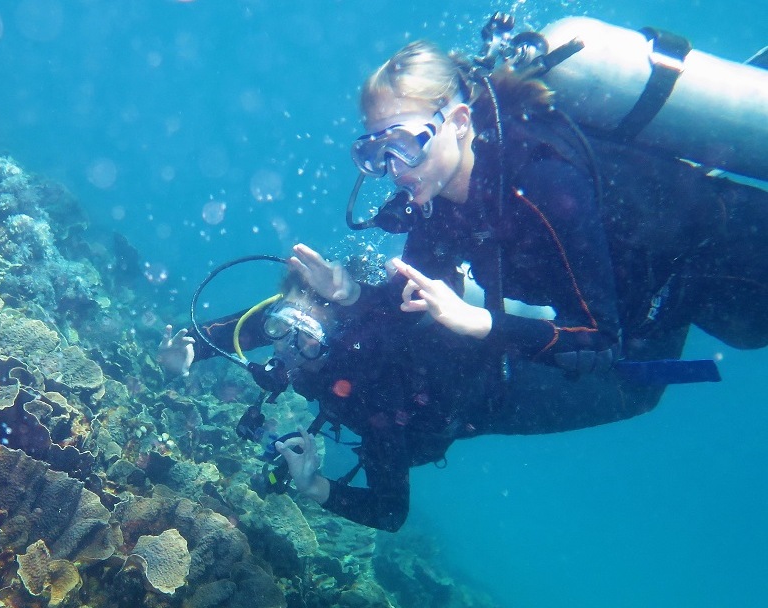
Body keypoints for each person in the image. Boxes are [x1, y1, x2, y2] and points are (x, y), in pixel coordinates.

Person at [339, 39, 768, 377]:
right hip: (702, 303)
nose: (393, 169)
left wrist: (483, 323)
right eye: (376, 153)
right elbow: (408, 304)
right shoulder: (441, 208)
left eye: (404, 144)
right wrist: (347, 293)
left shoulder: (540, 180)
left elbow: (599, 342)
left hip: (743, 252)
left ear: (460, 123)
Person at [158, 261, 679, 531]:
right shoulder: (305, 322)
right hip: (474, 361)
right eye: (280, 328)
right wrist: (186, 351)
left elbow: (390, 514)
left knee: (638, 392)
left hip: (506, 391)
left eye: (305, 337)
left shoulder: (377, 394)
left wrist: (316, 487)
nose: (289, 350)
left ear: (338, 335)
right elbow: (235, 331)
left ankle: (678, 275)